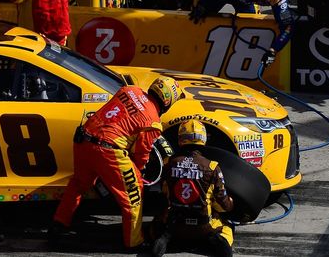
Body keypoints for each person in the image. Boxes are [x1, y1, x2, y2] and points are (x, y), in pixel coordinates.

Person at [50, 76, 183, 249]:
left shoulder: (129, 90)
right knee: (133, 197)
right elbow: (142, 154)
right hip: (108, 151)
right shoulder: (153, 122)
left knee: (78, 185)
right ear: (168, 101)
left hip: (84, 139)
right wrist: (139, 174)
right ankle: (134, 242)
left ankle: (58, 226)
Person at [188, 0, 293, 67]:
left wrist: (273, 50)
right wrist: (202, 3)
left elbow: (287, 27)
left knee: (253, 26)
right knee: (197, 14)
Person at [151, 120, 234, 257]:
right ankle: (220, 244)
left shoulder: (168, 163)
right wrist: (231, 203)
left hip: (176, 224)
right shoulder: (212, 166)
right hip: (203, 227)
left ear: (180, 139)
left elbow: (165, 193)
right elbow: (223, 204)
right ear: (204, 139)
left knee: (156, 223)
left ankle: (165, 238)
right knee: (227, 226)